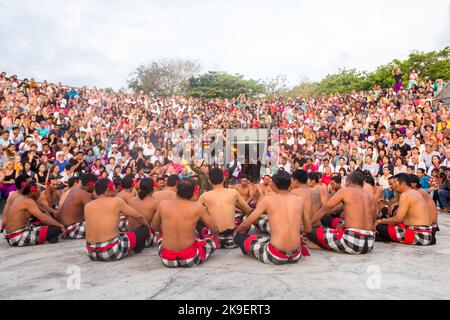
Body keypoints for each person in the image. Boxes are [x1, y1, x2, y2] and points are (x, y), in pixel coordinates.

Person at [233, 171, 310, 265]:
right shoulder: (300, 200)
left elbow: (246, 223)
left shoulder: (268, 200)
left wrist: (236, 231)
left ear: (273, 184)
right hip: (296, 255)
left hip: (274, 255)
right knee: (263, 239)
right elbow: (308, 228)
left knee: (240, 238)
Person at [152, 179, 219, 268]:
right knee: (214, 240)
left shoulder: (163, 204)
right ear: (192, 193)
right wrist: (214, 236)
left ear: (176, 191)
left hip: (167, 259)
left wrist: (164, 233)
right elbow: (214, 228)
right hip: (190, 258)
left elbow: (154, 226)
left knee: (159, 236)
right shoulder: (198, 207)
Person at [307, 171, 377, 255]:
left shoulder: (345, 191)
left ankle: (320, 244)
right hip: (369, 243)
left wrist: (308, 225)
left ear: (349, 181)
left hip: (353, 243)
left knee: (311, 232)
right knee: (335, 227)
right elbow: (373, 218)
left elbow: (325, 209)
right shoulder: (371, 195)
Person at [84, 179, 150, 262]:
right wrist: (148, 230)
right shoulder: (116, 201)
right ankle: (137, 248)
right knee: (143, 230)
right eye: (114, 187)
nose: (115, 189)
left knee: (122, 234)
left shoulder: (88, 206)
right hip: (111, 251)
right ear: (108, 189)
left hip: (91, 252)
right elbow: (139, 217)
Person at [375, 173, 436, 246]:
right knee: (383, 230)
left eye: (395, 182)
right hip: (428, 234)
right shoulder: (414, 192)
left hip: (419, 235)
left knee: (379, 227)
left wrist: (380, 221)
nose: (393, 185)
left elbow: (398, 219)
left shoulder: (406, 194)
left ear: (403, 183)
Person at [197, 168, 252, 249]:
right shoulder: (233, 192)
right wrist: (243, 219)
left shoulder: (204, 196)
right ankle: (233, 237)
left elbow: (194, 213)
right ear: (224, 178)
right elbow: (248, 210)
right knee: (245, 222)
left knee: (197, 223)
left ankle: (214, 239)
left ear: (209, 181)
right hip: (232, 237)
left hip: (215, 237)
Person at [3, 181, 66, 247]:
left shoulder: (22, 198)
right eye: (39, 190)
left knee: (49, 224)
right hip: (17, 237)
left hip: (11, 236)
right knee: (55, 230)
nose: (40, 193)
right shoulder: (28, 201)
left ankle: (47, 238)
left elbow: (43, 212)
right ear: (33, 191)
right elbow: (43, 217)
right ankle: (47, 239)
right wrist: (61, 225)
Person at [56, 173, 96, 239]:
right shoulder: (83, 193)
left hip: (68, 228)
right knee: (104, 221)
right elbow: (97, 210)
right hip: (72, 229)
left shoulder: (75, 189)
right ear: (90, 184)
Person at [128, 178, 159, 246]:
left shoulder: (132, 200)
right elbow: (156, 225)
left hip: (131, 236)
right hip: (143, 239)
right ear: (152, 189)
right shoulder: (155, 202)